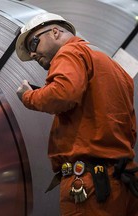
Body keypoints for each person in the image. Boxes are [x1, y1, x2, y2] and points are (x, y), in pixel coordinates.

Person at [15, 12, 138, 215]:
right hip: (122, 181)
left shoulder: (70, 52)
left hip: (91, 186)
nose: (33, 54)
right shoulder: (112, 66)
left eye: (33, 44)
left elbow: (62, 95)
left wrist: (28, 96)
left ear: (55, 32)